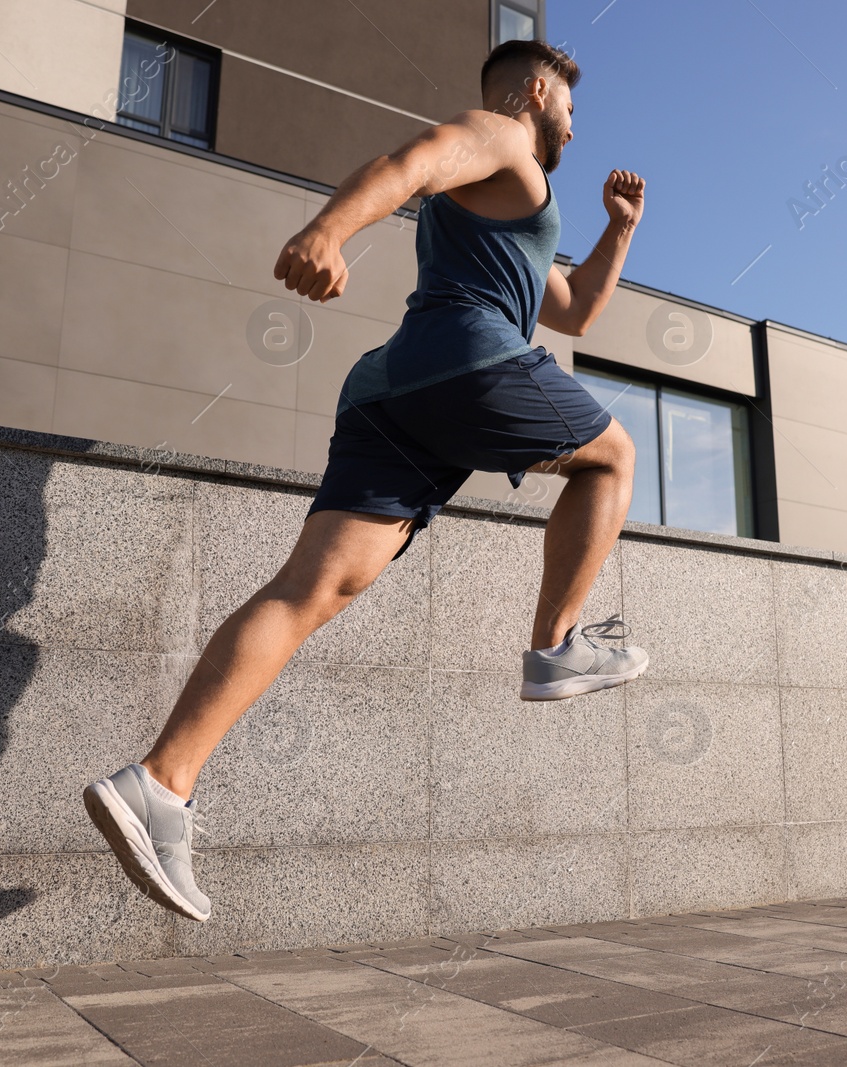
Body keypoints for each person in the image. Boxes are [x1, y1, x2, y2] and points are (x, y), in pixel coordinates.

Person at [84, 39, 649, 922]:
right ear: (537, 93)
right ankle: (555, 643)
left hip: (394, 390)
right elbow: (410, 161)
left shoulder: (512, 203)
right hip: (465, 360)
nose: (574, 124)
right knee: (614, 453)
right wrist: (327, 230)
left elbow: (572, 309)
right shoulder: (502, 138)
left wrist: (619, 230)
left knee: (312, 588)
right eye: (570, 108)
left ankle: (161, 782)